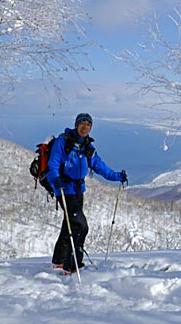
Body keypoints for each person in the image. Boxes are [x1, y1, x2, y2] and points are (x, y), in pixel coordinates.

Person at [46, 112, 128, 273]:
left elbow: (100, 167)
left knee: (68, 225)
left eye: (88, 125)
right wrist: (56, 182)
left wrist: (117, 176)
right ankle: (72, 265)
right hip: (64, 189)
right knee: (81, 226)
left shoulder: (87, 147)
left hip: (78, 191)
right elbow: (53, 164)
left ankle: (59, 260)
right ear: (76, 125)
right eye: (82, 123)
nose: (85, 127)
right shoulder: (63, 142)